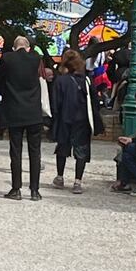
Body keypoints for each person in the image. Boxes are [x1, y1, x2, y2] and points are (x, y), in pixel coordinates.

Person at [0, 35, 44, 201]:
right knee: (35, 152)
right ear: (28, 48)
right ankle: (35, 190)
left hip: (15, 109)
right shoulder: (35, 58)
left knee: (16, 151)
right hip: (34, 111)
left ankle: (16, 189)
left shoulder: (8, 58)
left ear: (14, 48)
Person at [50, 49, 103, 194]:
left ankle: (60, 177)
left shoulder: (60, 80)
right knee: (81, 150)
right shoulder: (86, 80)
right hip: (82, 119)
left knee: (62, 148)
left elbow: (55, 104)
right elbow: (94, 101)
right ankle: (77, 181)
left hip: (64, 118)